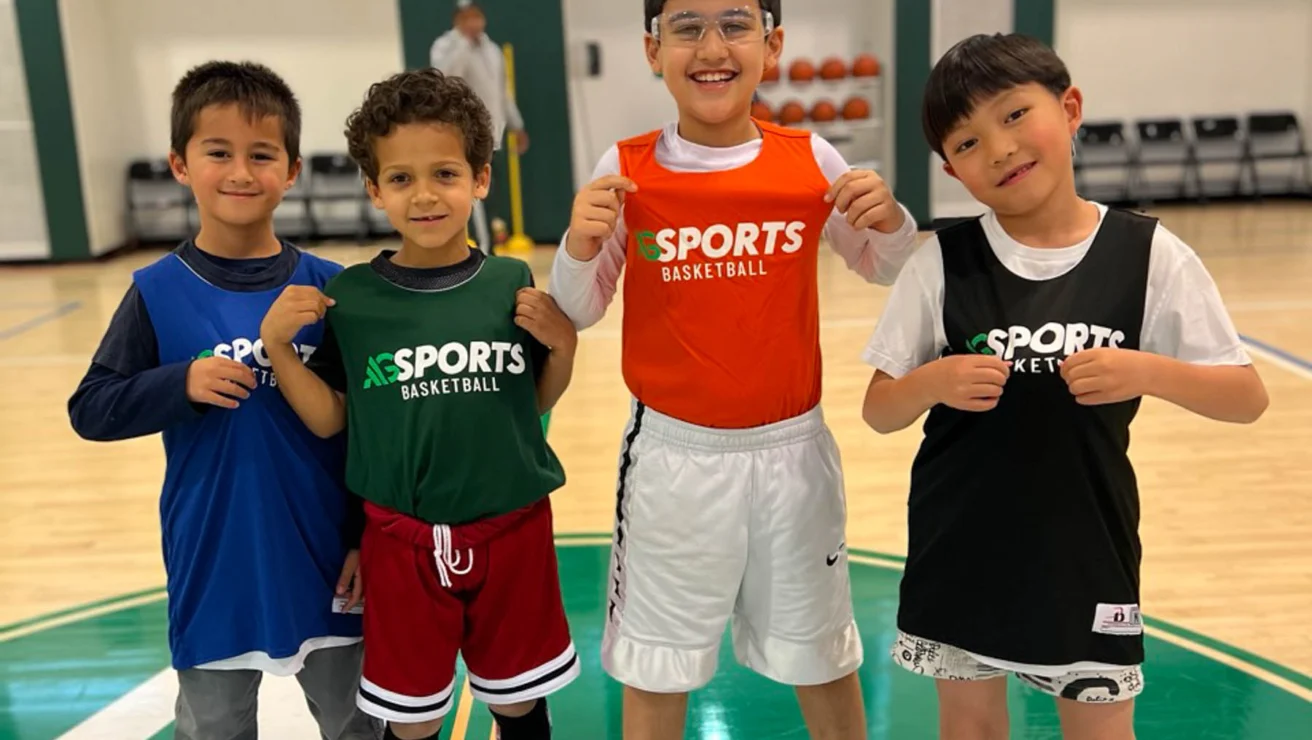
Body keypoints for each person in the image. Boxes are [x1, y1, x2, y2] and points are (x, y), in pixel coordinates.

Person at [860, 33, 1269, 740]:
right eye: (968, 142)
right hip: (960, 547)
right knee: (970, 728)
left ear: (1070, 107)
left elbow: (1246, 397)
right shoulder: (943, 263)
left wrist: (1146, 370)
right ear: (952, 171)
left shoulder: (1149, 254)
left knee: (1101, 729)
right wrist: (933, 380)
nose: (1000, 149)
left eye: (1015, 115)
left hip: (1087, 548)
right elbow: (879, 410)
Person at [548, 1, 920, 738]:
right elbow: (579, 309)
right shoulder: (624, 167)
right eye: (686, 27)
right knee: (657, 666)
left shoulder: (812, 158)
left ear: (771, 44)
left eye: (735, 25)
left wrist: (891, 218)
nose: (712, 46)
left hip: (794, 453)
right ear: (653, 50)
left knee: (823, 654)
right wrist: (578, 246)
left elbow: (883, 266)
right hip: (673, 458)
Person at [260, 68, 580, 740]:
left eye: (445, 173)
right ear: (374, 189)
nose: (425, 194)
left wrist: (564, 349)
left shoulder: (508, 280)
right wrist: (279, 349)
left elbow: (529, 404)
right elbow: (330, 418)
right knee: (413, 719)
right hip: (400, 543)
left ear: (480, 179)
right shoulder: (354, 299)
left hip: (512, 532)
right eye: (401, 178)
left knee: (519, 703)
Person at [67, 61, 380, 740]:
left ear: (291, 171)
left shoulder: (330, 289)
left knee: (358, 724)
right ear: (180, 165)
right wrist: (179, 383)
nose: (240, 172)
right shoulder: (156, 290)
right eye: (218, 152)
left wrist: (363, 536)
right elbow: (91, 408)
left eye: (261, 155)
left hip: (327, 557)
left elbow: (368, 431)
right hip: (214, 557)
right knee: (215, 727)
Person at [430, 0, 528, 254]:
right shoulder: (444, 46)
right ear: (457, 20)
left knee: (489, 191)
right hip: (460, 133)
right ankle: (476, 246)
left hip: (492, 133)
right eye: (467, 18)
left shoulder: (492, 49)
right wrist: (464, 44)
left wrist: (516, 124)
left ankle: (490, 245)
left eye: (477, 17)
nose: (474, 23)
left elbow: (502, 92)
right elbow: (444, 77)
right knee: (468, 190)